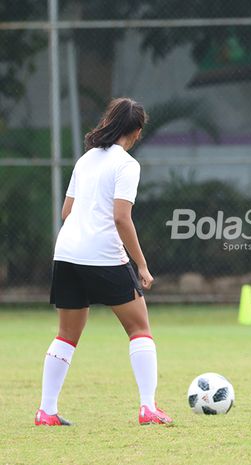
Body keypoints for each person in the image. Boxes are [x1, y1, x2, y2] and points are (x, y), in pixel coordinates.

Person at [35, 98, 173, 426]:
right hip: (103, 256)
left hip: (66, 253)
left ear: (109, 122)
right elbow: (122, 218)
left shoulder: (86, 160)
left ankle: (46, 410)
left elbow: (66, 212)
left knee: (66, 334)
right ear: (137, 132)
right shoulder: (126, 165)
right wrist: (141, 265)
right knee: (139, 327)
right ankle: (147, 408)